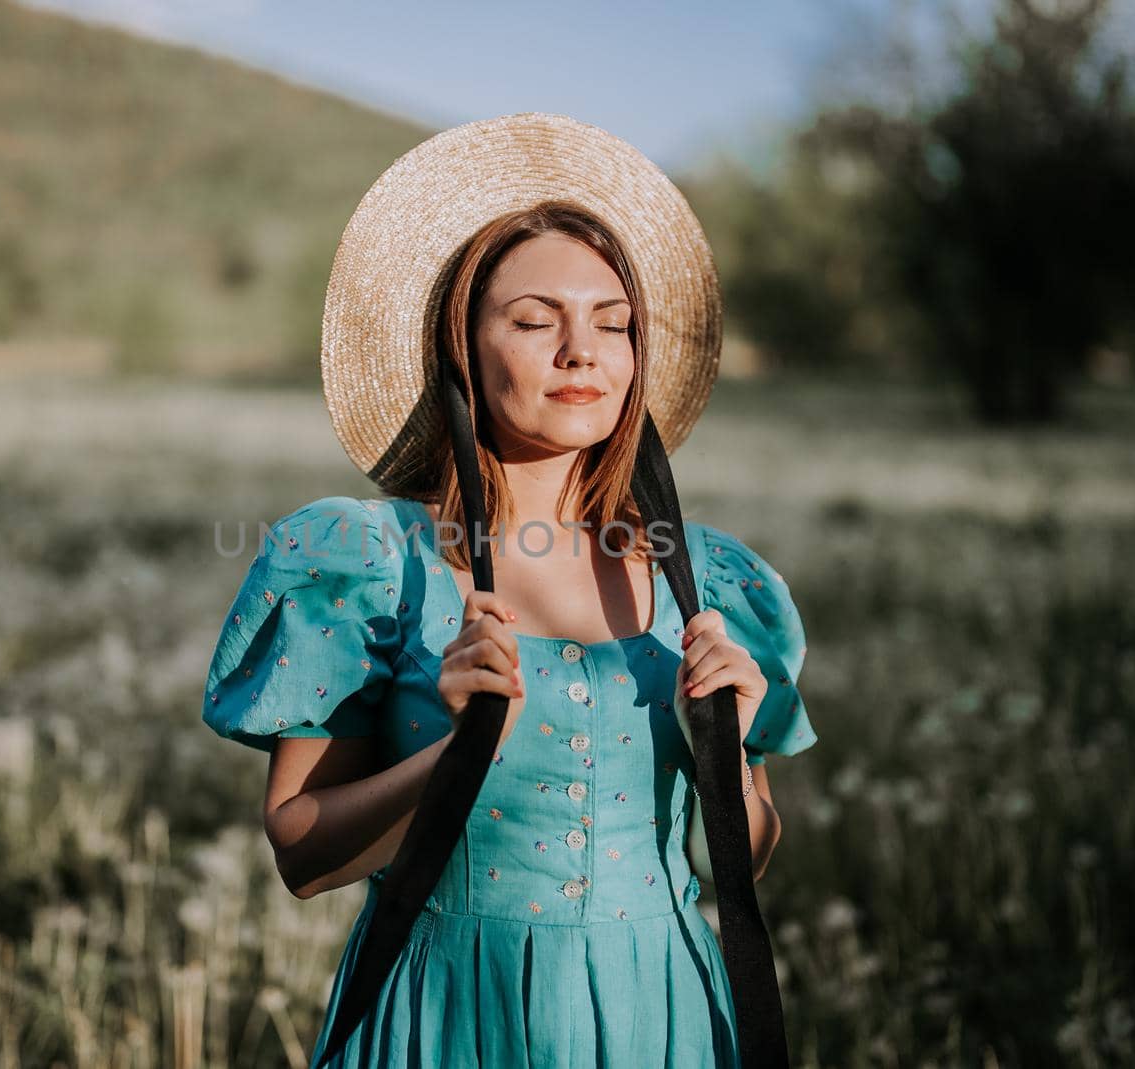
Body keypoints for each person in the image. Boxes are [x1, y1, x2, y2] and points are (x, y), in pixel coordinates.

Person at [202, 114, 816, 1069]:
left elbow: (750, 853)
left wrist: (727, 754)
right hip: (446, 1014)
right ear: (462, 349)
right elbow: (301, 855)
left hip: (665, 1012)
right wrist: (454, 751)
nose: (583, 351)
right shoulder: (364, 561)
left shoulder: (715, 579)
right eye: (535, 320)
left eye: (614, 324)